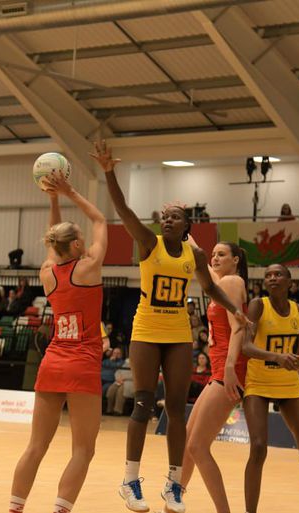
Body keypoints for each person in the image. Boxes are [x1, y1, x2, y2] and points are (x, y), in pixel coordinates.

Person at [93, 140, 246, 513]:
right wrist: (109, 172)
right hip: (146, 330)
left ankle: (174, 486)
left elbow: (210, 288)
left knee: (176, 409)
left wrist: (236, 311)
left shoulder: (195, 254)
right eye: (165, 217)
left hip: (178, 334)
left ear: (187, 225)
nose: (168, 221)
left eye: (175, 217)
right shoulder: (149, 243)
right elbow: (123, 209)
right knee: (143, 402)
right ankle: (130, 481)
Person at [8, 169, 107, 513]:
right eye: (80, 236)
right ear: (77, 245)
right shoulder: (89, 268)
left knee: (36, 446)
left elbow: (54, 243)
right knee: (83, 449)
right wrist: (70, 192)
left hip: (52, 361)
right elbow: (101, 220)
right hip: (82, 364)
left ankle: (15, 509)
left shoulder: (48, 273)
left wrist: (53, 199)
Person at [240, 263, 299, 513]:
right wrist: (277, 357)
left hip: (289, 385)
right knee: (258, 447)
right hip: (258, 383)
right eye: (268, 275)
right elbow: (246, 347)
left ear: (290, 282)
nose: (272, 278)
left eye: (278, 274)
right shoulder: (258, 305)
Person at [180, 242, 249, 513]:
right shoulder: (220, 283)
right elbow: (203, 263)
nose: (215, 258)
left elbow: (238, 327)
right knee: (188, 441)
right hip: (219, 370)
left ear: (236, 260)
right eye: (213, 254)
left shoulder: (231, 282)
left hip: (229, 371)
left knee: (197, 446)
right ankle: (174, 502)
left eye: (222, 254)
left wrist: (230, 367)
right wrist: (187, 237)